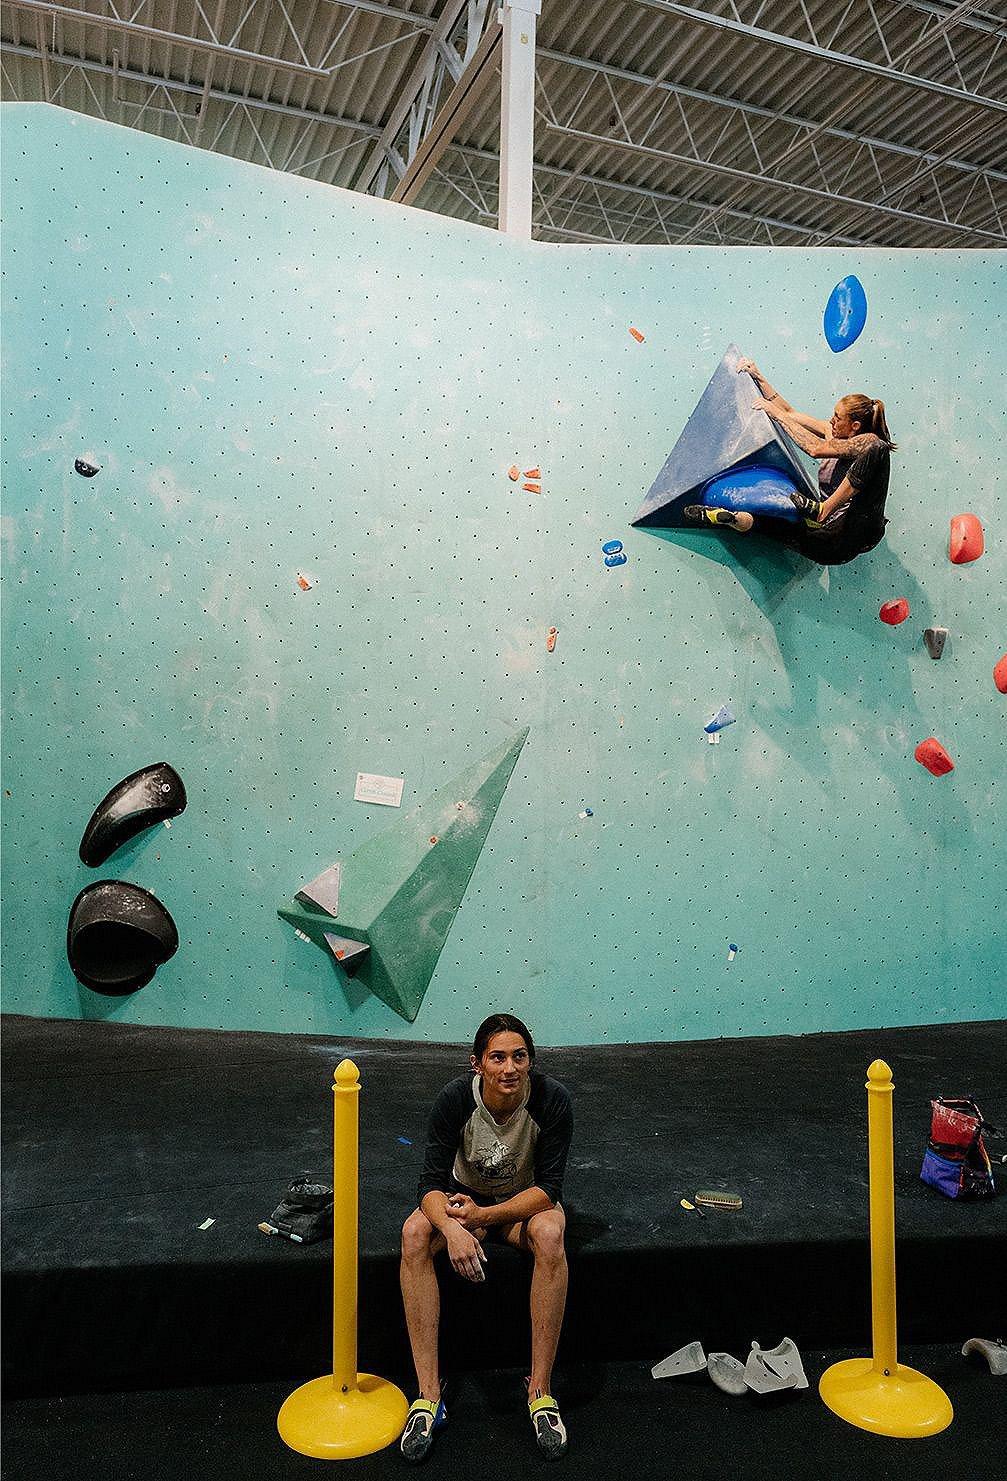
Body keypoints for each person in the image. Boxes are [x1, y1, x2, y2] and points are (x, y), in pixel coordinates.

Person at [399, 1013, 574, 1463]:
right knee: (414, 1233)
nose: (509, 1068)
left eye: (519, 1057)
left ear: (530, 1062)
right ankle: (428, 1396)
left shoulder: (552, 1100)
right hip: (464, 1204)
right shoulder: (455, 1099)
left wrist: (485, 1215)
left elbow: (549, 1189)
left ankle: (540, 1391)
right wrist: (455, 1226)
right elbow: (429, 1185)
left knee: (552, 1233)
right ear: (477, 1063)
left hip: (520, 1207)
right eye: (498, 1057)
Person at [684, 356, 896, 566]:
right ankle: (733, 518)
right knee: (764, 521)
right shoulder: (830, 431)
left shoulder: (868, 446)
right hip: (826, 542)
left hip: (855, 532)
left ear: (855, 426)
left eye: (838, 417)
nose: (831, 420)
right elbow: (790, 412)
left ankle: (823, 509)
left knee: (876, 447)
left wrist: (776, 414)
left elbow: (814, 447)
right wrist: (759, 376)